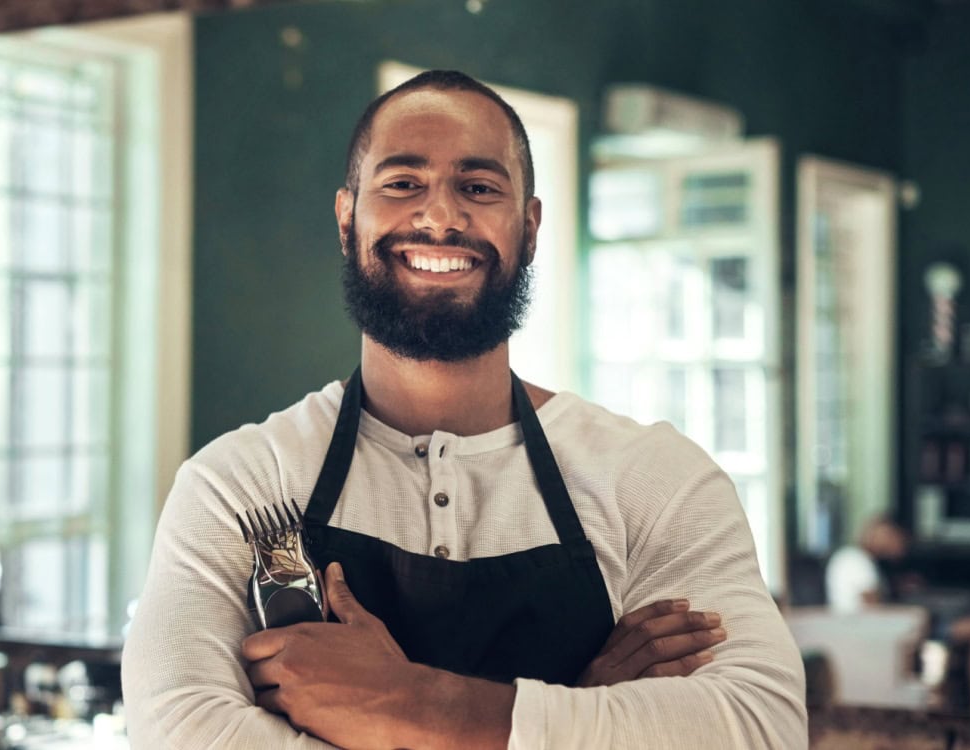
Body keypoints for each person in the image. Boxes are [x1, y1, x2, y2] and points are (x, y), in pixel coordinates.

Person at [122, 70, 805, 748]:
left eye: (479, 188)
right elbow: (183, 732)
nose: (441, 217)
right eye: (402, 184)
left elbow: (758, 728)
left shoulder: (653, 480)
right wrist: (577, 711)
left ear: (529, 228)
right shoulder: (242, 486)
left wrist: (407, 702)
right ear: (345, 217)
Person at [828, 516, 970, 711]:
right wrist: (917, 612)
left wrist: (898, 588)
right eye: (898, 540)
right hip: (884, 636)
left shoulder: (860, 562)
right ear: (883, 533)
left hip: (889, 633)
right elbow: (873, 611)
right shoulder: (855, 560)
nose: (900, 548)